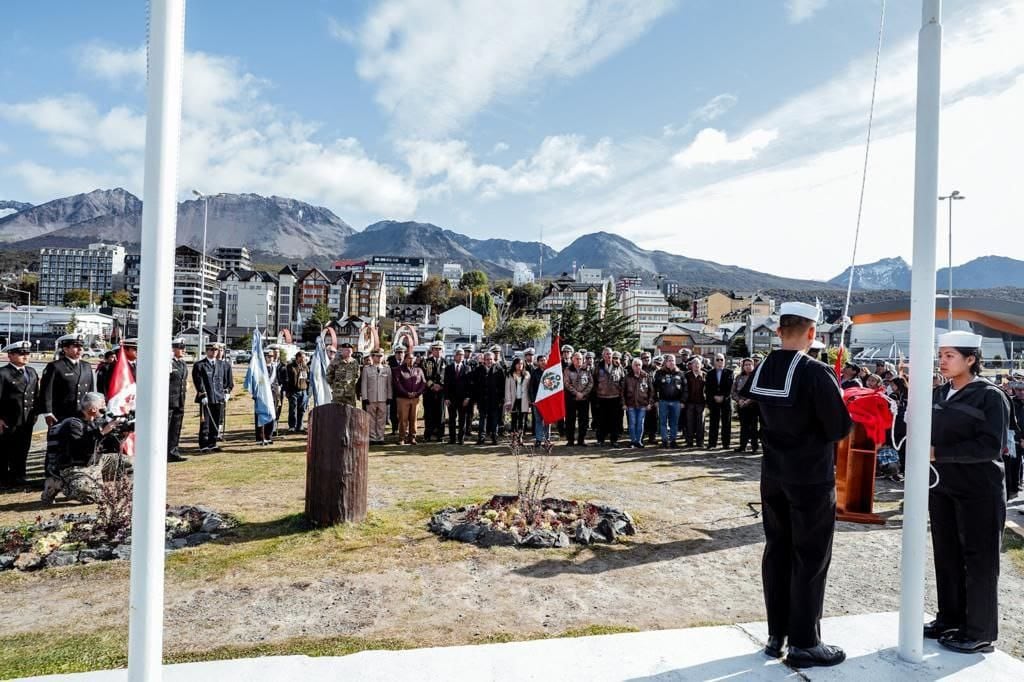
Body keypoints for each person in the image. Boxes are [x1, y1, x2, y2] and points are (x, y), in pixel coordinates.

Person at [738, 301, 852, 668]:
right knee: (811, 557)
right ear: (813, 333)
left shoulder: (764, 367)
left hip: (773, 474)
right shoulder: (816, 373)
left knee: (778, 552)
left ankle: (777, 636)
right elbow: (838, 428)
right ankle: (805, 641)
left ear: (777, 330)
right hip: (810, 479)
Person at [925, 330, 1010, 654]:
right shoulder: (938, 393)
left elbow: (990, 446)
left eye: (950, 355)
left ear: (971, 359)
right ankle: (950, 618)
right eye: (941, 354)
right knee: (946, 556)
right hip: (943, 487)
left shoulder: (990, 396)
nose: (942, 361)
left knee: (980, 560)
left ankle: (979, 631)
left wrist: (939, 453)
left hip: (980, 490)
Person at [41, 392, 128, 504]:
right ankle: (58, 484)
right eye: (102, 407)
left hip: (96, 462)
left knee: (132, 464)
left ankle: (101, 484)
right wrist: (104, 431)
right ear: (93, 409)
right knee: (92, 496)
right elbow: (83, 448)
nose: (105, 409)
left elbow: (111, 446)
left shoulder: (98, 421)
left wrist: (123, 435)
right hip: (75, 467)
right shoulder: (73, 424)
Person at [0, 341, 39, 487]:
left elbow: (36, 395)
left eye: (27, 353)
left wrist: (35, 414)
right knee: (5, 450)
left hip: (27, 419)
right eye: (21, 353)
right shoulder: (3, 373)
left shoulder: (31, 372)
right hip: (8, 419)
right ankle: (3, 479)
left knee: (23, 448)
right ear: (10, 355)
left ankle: (19, 476)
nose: (25, 356)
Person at [38, 333, 95, 426]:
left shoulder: (86, 366)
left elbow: (90, 391)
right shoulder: (55, 366)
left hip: (82, 413)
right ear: (65, 349)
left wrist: (92, 408)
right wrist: (48, 412)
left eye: (81, 346)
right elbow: (46, 391)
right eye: (76, 346)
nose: (80, 349)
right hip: (61, 414)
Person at [192, 343, 228, 452]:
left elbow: (222, 380)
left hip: (218, 397)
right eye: (211, 350)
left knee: (216, 421)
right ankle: (204, 445)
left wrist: (225, 393)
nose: (214, 352)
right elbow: (199, 381)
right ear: (207, 351)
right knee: (205, 422)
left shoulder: (221, 365)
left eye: (216, 350)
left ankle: (212, 443)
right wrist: (202, 394)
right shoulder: (200, 365)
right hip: (207, 397)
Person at [392, 349, 425, 445]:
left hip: (415, 399)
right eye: (409, 358)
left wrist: (417, 393)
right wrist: (407, 393)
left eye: (412, 358)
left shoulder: (419, 370)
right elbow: (397, 384)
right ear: (405, 359)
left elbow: (423, 383)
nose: (411, 360)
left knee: (413, 418)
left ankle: (412, 437)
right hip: (403, 398)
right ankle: (402, 437)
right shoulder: (398, 370)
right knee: (403, 419)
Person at [594, 347, 625, 447]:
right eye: (606, 354)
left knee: (614, 420)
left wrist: (621, 395)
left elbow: (623, 381)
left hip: (615, 397)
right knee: (601, 420)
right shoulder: (598, 366)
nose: (608, 356)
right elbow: (594, 381)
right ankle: (600, 440)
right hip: (602, 398)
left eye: (610, 354)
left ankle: (614, 440)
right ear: (603, 355)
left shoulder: (618, 366)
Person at [360, 348, 392, 445]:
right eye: (377, 356)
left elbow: (389, 384)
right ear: (372, 357)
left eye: (381, 356)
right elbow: (364, 384)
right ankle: (372, 438)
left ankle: (380, 437)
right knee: (371, 418)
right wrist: (365, 397)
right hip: (371, 397)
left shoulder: (387, 369)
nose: (379, 358)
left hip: (383, 398)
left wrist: (389, 396)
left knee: (382, 418)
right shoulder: (366, 369)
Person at [653, 354, 686, 448]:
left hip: (676, 402)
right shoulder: (659, 373)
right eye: (669, 360)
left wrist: (683, 401)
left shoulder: (680, 373)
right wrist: (655, 399)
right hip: (663, 401)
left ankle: (673, 441)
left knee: (674, 423)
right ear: (665, 362)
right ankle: (664, 441)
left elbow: (685, 389)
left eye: (673, 360)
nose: (671, 362)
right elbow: (654, 388)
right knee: (663, 422)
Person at [473, 351, 505, 445]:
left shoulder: (499, 369)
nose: (489, 361)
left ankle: (494, 437)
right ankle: (481, 438)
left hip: (495, 399)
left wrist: (501, 398)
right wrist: (476, 399)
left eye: (491, 359)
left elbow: (502, 385)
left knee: (494, 419)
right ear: (484, 360)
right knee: (483, 419)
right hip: (482, 399)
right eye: (487, 359)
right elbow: (476, 385)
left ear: (494, 360)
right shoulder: (479, 370)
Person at [623, 358, 654, 448]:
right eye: (635, 365)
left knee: (640, 423)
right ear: (632, 366)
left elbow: (651, 391)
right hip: (630, 404)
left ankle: (639, 441)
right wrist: (624, 404)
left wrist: (650, 403)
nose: (637, 367)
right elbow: (623, 392)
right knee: (632, 423)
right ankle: (633, 441)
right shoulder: (627, 377)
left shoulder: (646, 376)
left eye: (639, 365)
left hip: (643, 404)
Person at [705, 353, 734, 450]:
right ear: (714, 361)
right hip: (714, 401)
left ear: (724, 361)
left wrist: (723, 397)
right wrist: (714, 396)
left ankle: (726, 444)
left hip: (726, 401)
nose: (719, 362)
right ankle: (712, 443)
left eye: (721, 359)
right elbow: (708, 388)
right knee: (714, 423)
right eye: (717, 360)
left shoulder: (730, 372)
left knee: (726, 423)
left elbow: (730, 388)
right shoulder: (710, 373)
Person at [444, 347, 472, 445]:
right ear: (454, 356)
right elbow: (446, 384)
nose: (460, 357)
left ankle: (461, 438)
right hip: (451, 398)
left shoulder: (467, 368)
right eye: (458, 354)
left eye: (462, 355)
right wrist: (446, 398)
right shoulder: (448, 368)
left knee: (462, 419)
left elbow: (469, 385)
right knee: (452, 419)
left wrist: (467, 397)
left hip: (463, 398)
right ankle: (452, 438)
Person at [565, 351, 593, 447]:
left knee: (584, 420)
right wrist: (576, 393)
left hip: (584, 399)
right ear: (572, 359)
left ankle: (581, 439)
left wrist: (583, 393)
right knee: (570, 420)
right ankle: (570, 440)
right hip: (571, 398)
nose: (579, 360)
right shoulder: (568, 370)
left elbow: (590, 383)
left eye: (580, 358)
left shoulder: (587, 370)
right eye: (577, 358)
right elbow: (567, 384)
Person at [167, 338, 188, 462]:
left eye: (183, 347)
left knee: (176, 428)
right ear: (173, 349)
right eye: (181, 347)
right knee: (167, 427)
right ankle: (164, 452)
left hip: (180, 400)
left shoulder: (183, 363)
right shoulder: (169, 363)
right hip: (169, 400)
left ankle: (173, 451)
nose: (183, 350)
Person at [421, 341, 447, 442]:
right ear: (432, 350)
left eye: (439, 349)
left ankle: (440, 435)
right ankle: (428, 434)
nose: (437, 351)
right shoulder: (426, 362)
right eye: (435, 349)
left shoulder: (445, 362)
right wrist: (432, 385)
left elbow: (447, 376)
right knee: (429, 413)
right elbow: (424, 375)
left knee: (440, 414)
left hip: (441, 392)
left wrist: (440, 385)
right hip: (429, 392)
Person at [732, 358, 759, 454]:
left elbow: (757, 391)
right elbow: (733, 391)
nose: (748, 366)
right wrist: (739, 400)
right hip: (742, 406)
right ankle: (742, 446)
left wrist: (748, 401)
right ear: (743, 366)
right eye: (746, 364)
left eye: (750, 364)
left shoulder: (756, 377)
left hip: (753, 406)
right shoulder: (739, 377)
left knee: (753, 427)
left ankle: (754, 447)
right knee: (744, 427)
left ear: (753, 366)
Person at [327, 342, 361, 408]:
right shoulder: (335, 362)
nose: (348, 352)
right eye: (346, 350)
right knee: (337, 411)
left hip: (350, 393)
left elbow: (357, 375)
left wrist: (350, 384)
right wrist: (334, 385)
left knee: (350, 412)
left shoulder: (355, 362)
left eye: (350, 350)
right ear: (342, 351)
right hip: (338, 393)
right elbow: (328, 375)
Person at [503, 357, 531, 436]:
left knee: (522, 420)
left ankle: (520, 437)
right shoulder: (510, 375)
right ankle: (514, 437)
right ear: (514, 365)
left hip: (523, 400)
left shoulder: (527, 374)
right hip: (513, 400)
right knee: (514, 419)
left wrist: (529, 401)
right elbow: (507, 389)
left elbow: (529, 388)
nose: (520, 365)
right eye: (518, 364)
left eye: (521, 364)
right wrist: (508, 401)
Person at [285, 351, 311, 434]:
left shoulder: (305, 367)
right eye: (302, 357)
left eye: (304, 358)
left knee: (302, 409)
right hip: (293, 391)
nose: (304, 359)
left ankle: (300, 426)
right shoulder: (290, 366)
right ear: (298, 357)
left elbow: (307, 378)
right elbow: (289, 379)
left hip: (303, 391)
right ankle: (292, 426)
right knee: (293, 409)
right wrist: (287, 391)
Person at [684, 358, 706, 449]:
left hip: (701, 403)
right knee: (689, 423)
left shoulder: (705, 375)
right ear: (691, 365)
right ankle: (689, 442)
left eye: (698, 364)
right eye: (695, 364)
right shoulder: (686, 375)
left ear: (701, 365)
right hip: (689, 403)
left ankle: (700, 442)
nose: (696, 366)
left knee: (700, 423)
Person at [529, 353, 551, 445]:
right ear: (538, 362)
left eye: (544, 360)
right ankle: (538, 439)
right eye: (541, 360)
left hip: (547, 401)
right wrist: (533, 400)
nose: (543, 362)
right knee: (538, 421)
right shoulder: (534, 373)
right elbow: (531, 388)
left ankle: (547, 438)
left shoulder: (550, 371)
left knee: (547, 420)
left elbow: (552, 386)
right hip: (537, 401)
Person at [387, 347, 405, 434]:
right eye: (398, 353)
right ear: (395, 354)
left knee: (404, 410)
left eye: (401, 352)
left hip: (404, 390)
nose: (399, 354)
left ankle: (404, 428)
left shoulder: (407, 362)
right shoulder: (390, 363)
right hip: (394, 390)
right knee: (393, 410)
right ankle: (395, 428)